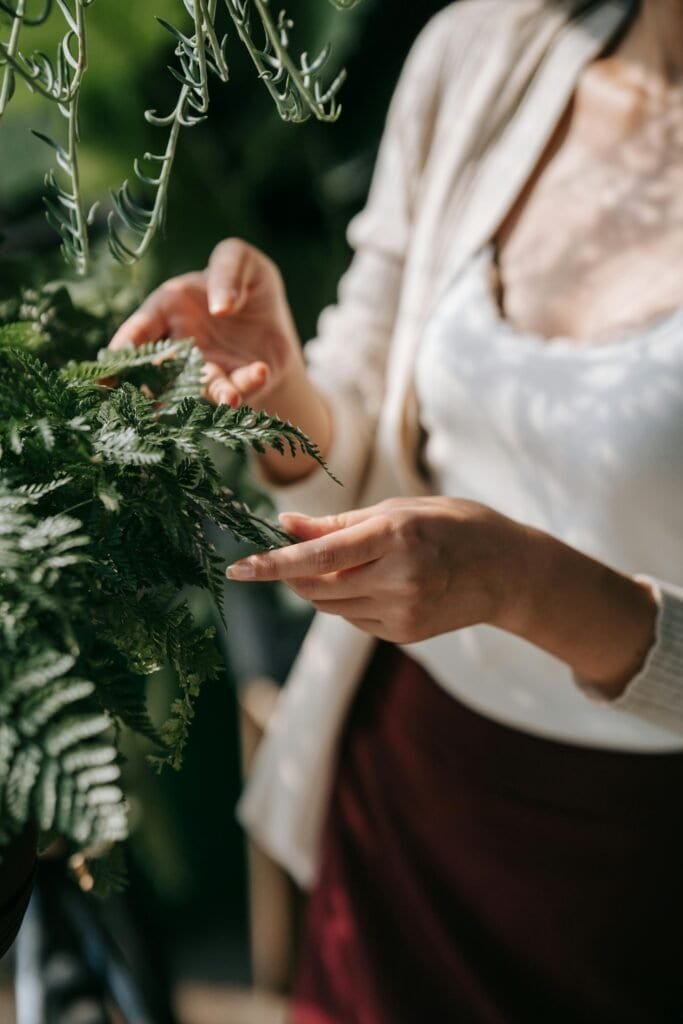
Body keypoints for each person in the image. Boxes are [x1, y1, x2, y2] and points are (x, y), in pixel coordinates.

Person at [111, 0, 683, 1019]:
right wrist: (278, 391)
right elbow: (366, 420)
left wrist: (522, 585)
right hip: (402, 782)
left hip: (636, 866)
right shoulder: (484, 53)